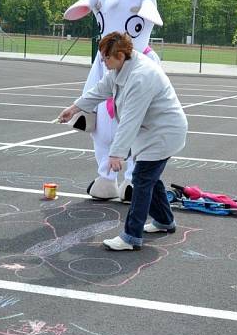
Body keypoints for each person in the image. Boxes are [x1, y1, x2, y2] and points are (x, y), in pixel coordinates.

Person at [57, 32, 188, 251]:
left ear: (119, 55)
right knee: (150, 178)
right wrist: (74, 108)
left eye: (105, 58)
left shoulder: (141, 76)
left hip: (163, 133)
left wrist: (116, 153)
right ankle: (165, 221)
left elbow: (130, 119)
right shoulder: (120, 68)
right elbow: (99, 90)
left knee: (141, 180)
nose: (103, 62)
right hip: (152, 133)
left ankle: (131, 237)